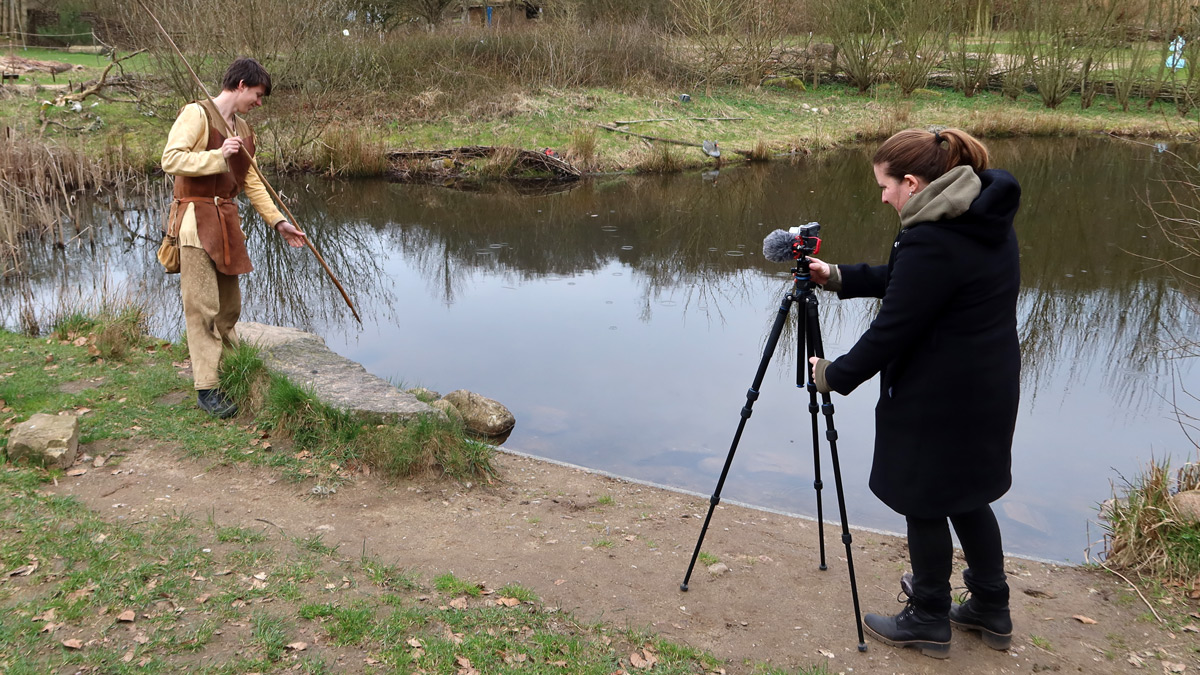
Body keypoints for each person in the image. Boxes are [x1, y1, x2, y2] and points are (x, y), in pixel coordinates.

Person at [806, 128, 1020, 659]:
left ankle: (927, 616)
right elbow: (914, 282)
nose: (881, 196)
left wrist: (834, 374)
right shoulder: (977, 216)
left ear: (911, 182)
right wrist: (837, 276)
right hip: (987, 387)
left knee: (924, 498)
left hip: (937, 394)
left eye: (883, 185)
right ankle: (992, 608)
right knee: (967, 496)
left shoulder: (931, 237)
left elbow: (894, 327)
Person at [161, 57, 307, 418]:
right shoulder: (197, 114)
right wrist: (215, 156)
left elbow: (251, 181)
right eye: (257, 95)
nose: (259, 103)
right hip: (195, 220)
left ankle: (231, 372)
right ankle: (207, 387)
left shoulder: (242, 128)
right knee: (202, 308)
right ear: (241, 85)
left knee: (228, 307)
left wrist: (277, 222)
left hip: (226, 221)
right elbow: (170, 159)